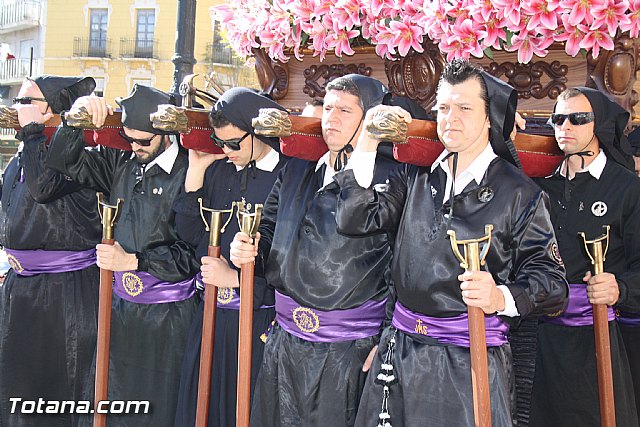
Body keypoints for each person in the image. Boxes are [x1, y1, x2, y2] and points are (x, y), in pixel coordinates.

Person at [328, 60, 567, 426]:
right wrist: (367, 143)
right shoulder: (415, 175)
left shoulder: (520, 194)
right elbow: (354, 218)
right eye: (443, 107)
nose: (450, 118)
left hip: (467, 362)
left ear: (490, 117)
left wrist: (499, 296)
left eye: (464, 108)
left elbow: (553, 286)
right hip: (400, 351)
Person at [229, 74, 400, 426]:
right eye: (328, 108)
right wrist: (248, 249)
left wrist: (387, 339)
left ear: (370, 118)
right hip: (285, 341)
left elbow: (400, 265)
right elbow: (270, 232)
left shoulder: (392, 178)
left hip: (346, 352)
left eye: (345, 111)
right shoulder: (297, 169)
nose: (331, 118)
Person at [46, 84, 200, 426]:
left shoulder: (190, 171)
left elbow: (193, 254)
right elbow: (61, 163)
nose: (135, 147)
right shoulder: (122, 163)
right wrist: (75, 119)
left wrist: (135, 262)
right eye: (129, 139)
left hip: (168, 319)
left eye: (143, 141)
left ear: (166, 134)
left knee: (160, 407)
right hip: (120, 310)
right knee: (115, 403)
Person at [172, 88, 289, 427]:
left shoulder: (288, 175)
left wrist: (238, 279)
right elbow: (191, 236)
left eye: (234, 143)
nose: (226, 150)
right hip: (211, 314)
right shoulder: (221, 171)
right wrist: (195, 174)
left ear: (259, 133)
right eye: (220, 142)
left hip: (259, 321)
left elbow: (289, 254)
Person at [530, 87, 640, 426]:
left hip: (600, 341)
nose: (566, 126)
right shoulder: (540, 186)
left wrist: (619, 288)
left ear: (599, 123)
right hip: (542, 342)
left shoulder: (625, 187)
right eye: (558, 119)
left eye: (578, 119)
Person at [0, 75, 101, 427]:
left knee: (58, 394)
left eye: (28, 103)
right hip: (22, 291)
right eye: (18, 102)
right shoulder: (21, 157)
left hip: (64, 294)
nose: (18, 110)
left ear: (52, 113)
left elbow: (43, 188)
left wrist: (32, 135)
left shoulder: (74, 157)